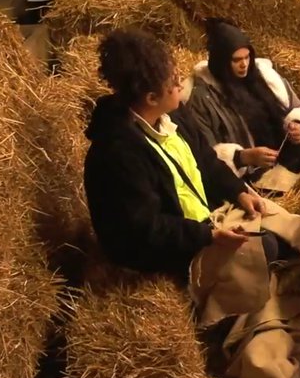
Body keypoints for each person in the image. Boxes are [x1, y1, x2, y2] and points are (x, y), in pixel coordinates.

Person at [82, 27, 270, 281]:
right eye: (173, 82)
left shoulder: (175, 114)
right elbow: (145, 227)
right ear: (151, 97)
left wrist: (238, 191)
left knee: (282, 233)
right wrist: (207, 236)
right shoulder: (118, 152)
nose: (181, 85)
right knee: (267, 250)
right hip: (166, 247)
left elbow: (206, 160)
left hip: (204, 217)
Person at [182, 18, 300, 183]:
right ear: (221, 61)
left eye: (247, 57)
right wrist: (242, 157)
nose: (244, 65)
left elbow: (296, 107)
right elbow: (205, 154)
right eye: (237, 60)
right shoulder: (204, 99)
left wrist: (299, 126)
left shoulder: (265, 76)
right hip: (256, 178)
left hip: (292, 159)